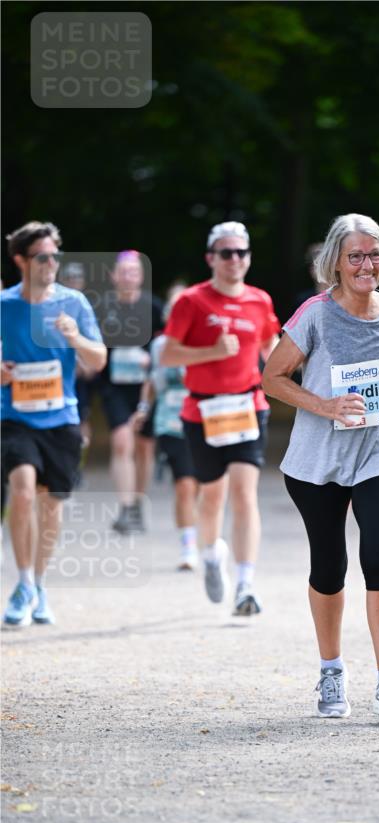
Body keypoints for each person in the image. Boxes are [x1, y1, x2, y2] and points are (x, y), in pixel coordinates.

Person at [262, 213, 379, 719]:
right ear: (335, 262)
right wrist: (327, 405)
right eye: (355, 255)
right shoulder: (315, 314)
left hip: (378, 450)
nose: (366, 264)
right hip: (317, 459)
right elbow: (273, 377)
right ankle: (332, 672)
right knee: (330, 566)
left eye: (374, 254)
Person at [161, 222, 280, 614]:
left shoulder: (259, 300)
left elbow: (270, 346)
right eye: (226, 253)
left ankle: (246, 583)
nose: (235, 260)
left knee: (245, 493)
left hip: (247, 406)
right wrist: (211, 351)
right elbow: (167, 355)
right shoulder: (192, 301)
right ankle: (212, 555)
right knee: (212, 495)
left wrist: (291, 370)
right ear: (211, 258)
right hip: (203, 410)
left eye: (241, 252)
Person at [1, 221, 106, 626]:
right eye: (42, 257)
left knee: (51, 505)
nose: (51, 264)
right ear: (21, 261)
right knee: (22, 492)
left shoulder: (74, 303)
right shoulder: (5, 304)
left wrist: (76, 338)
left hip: (61, 418)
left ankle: (40, 584)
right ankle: (23, 583)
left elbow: (98, 360)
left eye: (55, 256)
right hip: (14, 418)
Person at [131, 282, 199, 570]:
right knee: (184, 485)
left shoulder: (205, 343)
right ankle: (188, 546)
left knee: (202, 488)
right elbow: (151, 383)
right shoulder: (160, 346)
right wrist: (143, 409)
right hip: (170, 422)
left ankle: (199, 532)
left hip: (205, 422)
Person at [97, 250, 163, 534]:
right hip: (115, 387)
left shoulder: (154, 307)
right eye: (123, 271)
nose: (128, 276)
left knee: (145, 448)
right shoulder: (101, 307)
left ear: (141, 275)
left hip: (146, 388)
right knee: (123, 442)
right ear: (113, 276)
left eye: (134, 271)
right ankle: (124, 508)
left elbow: (166, 345)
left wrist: (152, 357)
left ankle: (136, 503)